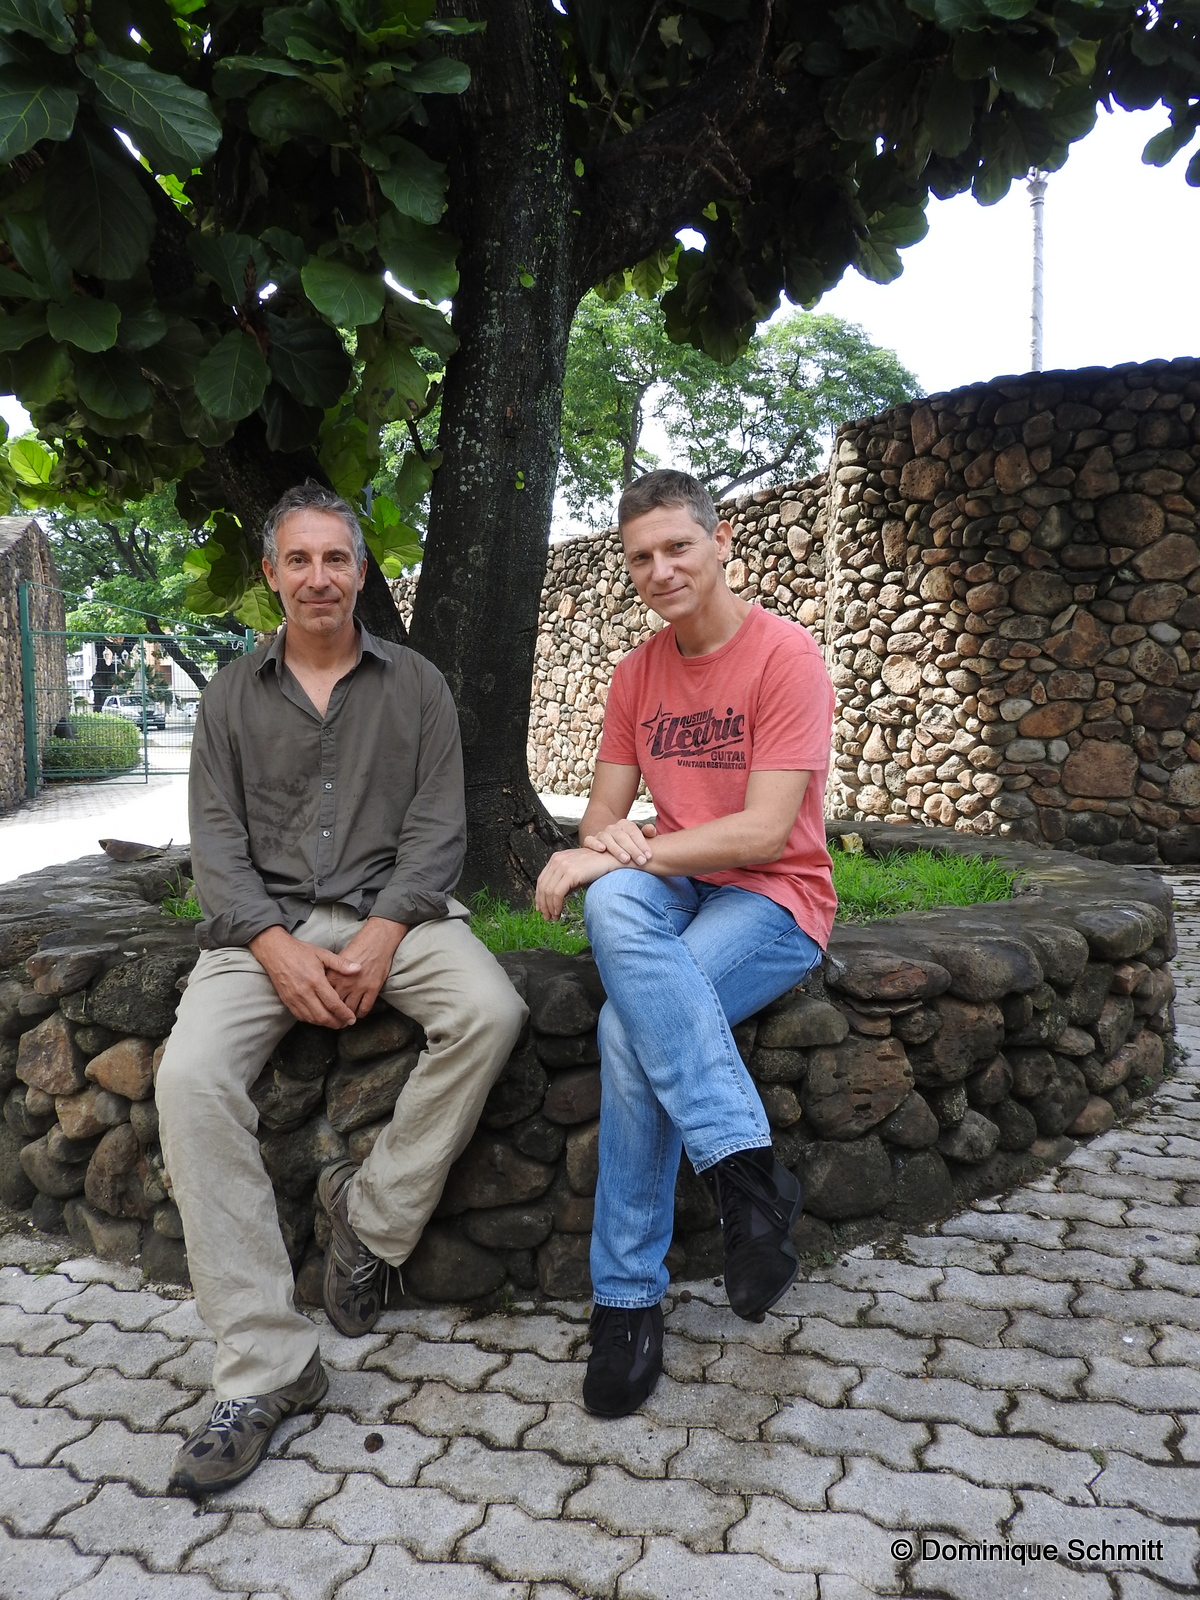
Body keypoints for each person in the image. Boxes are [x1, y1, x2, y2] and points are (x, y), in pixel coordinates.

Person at [157, 483, 526, 1494]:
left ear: (362, 571)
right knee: (189, 1079)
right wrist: (275, 947)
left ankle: (372, 1224)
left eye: (337, 558)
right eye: (299, 559)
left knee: (491, 1010)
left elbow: (438, 830)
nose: (319, 576)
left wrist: (379, 934)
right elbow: (218, 853)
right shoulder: (229, 695)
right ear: (272, 575)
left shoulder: (417, 686)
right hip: (260, 928)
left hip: (392, 915)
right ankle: (266, 1369)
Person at [535, 469, 835, 1418]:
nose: (660, 570)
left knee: (631, 1031)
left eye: (677, 547)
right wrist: (602, 847)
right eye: (641, 557)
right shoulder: (637, 673)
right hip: (676, 889)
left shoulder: (786, 657)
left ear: (721, 541)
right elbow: (600, 814)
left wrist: (630, 850)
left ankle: (627, 1300)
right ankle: (749, 1183)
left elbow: (760, 833)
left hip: (774, 898)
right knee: (613, 902)